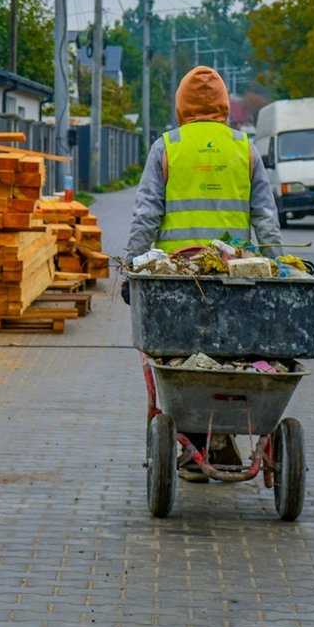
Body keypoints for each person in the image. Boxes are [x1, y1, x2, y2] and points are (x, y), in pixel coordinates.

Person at [123, 66, 281, 479]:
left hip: (179, 281)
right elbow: (266, 217)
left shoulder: (168, 146)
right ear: (224, 107)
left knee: (184, 356)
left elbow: (145, 215)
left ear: (181, 107)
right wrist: (277, 266)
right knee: (231, 354)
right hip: (237, 280)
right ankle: (221, 436)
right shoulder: (244, 147)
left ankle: (196, 443)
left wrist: (132, 269)